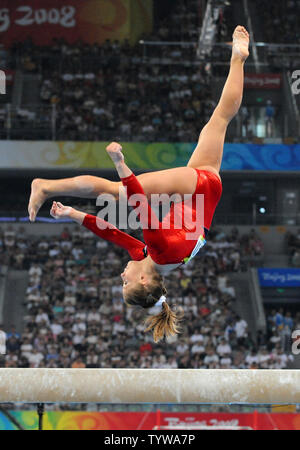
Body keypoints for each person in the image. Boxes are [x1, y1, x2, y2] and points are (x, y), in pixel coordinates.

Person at [30, 26, 250, 342]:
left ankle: (237, 60)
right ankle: (46, 185)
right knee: (116, 191)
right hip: (195, 190)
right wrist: (122, 166)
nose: (121, 276)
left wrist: (73, 215)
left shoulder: (154, 259)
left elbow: (114, 234)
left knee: (220, 119)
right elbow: (142, 210)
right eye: (125, 283)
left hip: (205, 191)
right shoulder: (160, 253)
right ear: (144, 281)